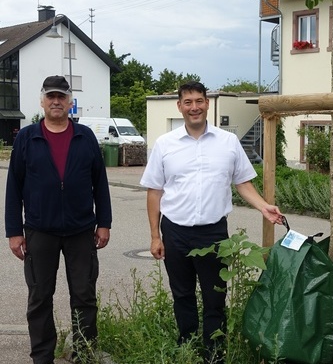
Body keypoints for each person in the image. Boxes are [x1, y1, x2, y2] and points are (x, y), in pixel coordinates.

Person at [140, 81, 283, 361]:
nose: (194, 107)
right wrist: (155, 236)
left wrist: (264, 207)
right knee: (182, 294)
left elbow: (242, 182)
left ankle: (214, 351)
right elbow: (154, 192)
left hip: (214, 232)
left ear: (208, 104)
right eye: (188, 102)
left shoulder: (227, 142)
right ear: (179, 106)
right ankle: (187, 343)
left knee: (215, 296)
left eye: (199, 101)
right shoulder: (165, 144)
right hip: (175, 231)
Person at [5, 75, 112, 364]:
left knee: (84, 295)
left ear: (69, 102)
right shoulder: (27, 138)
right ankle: (42, 356)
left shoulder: (85, 136)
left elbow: (99, 182)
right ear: (42, 101)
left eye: (61, 97)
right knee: (39, 298)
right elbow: (14, 187)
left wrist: (104, 222)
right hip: (40, 230)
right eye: (51, 96)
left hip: (81, 230)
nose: (56, 101)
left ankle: (84, 353)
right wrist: (14, 231)